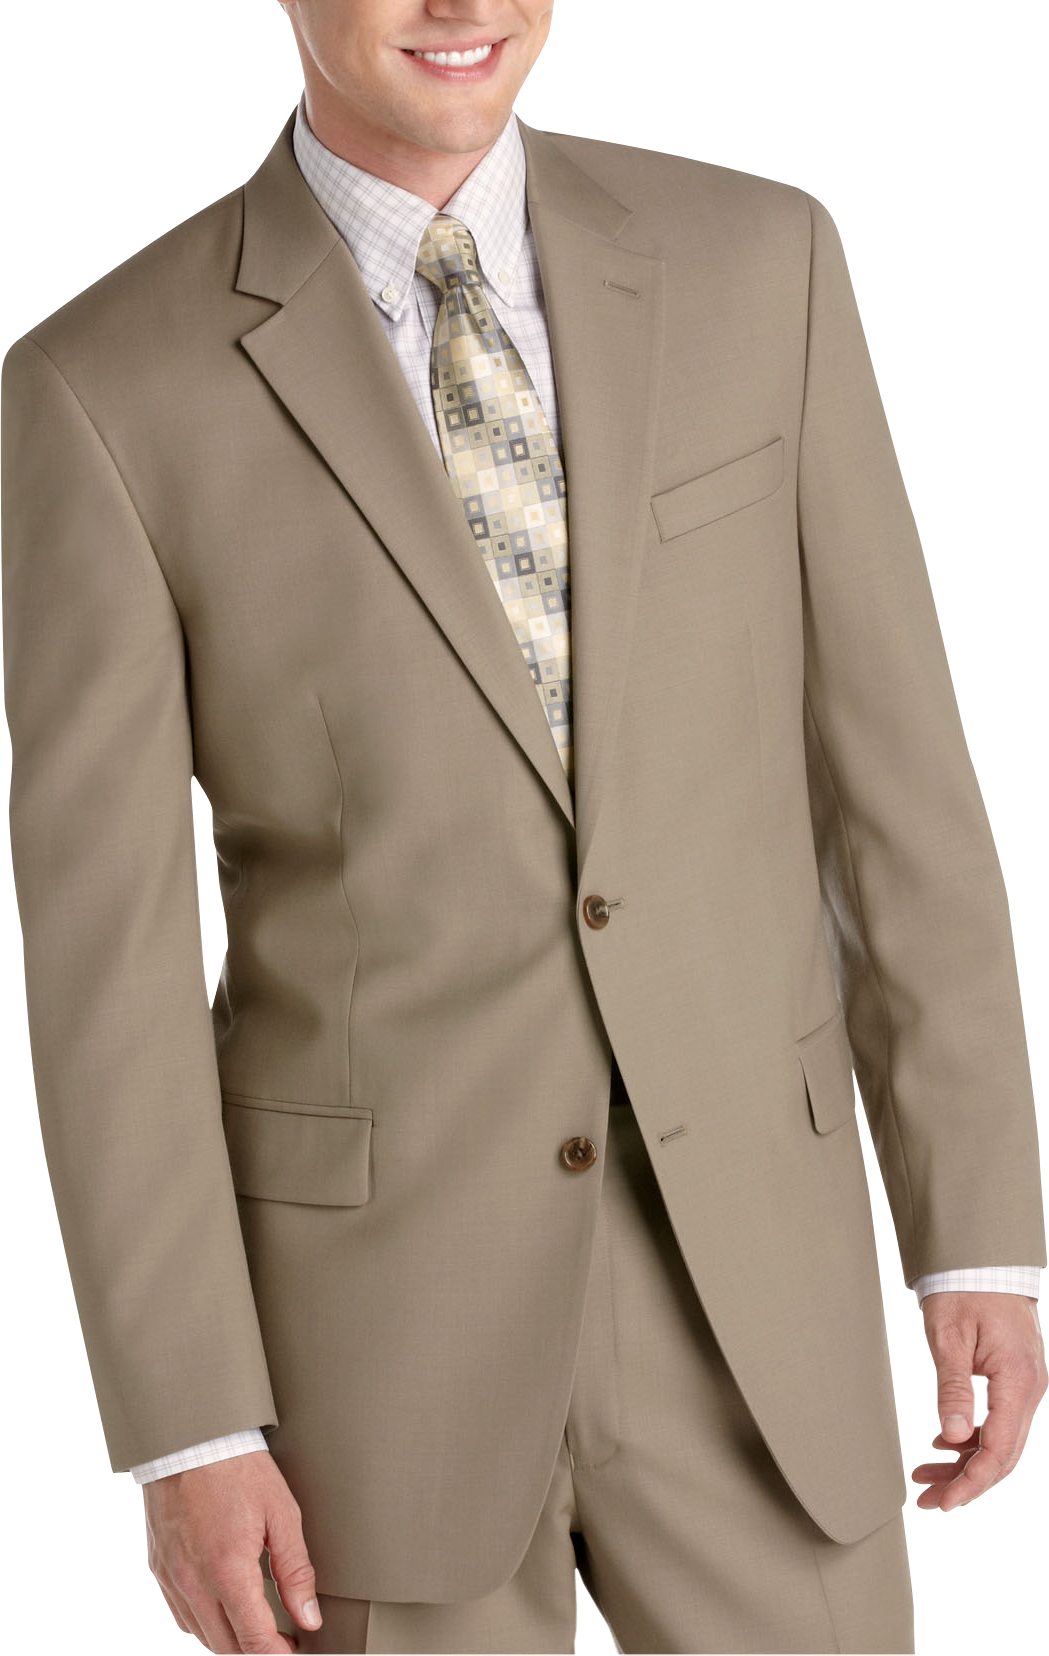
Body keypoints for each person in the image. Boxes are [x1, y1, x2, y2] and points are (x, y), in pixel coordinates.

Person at [3, 3, 1046, 1652]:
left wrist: (978, 1228)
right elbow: (105, 967)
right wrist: (187, 1425)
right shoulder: (101, 388)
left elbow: (895, 779)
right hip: (371, 1353)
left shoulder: (762, 265)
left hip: (754, 1300)